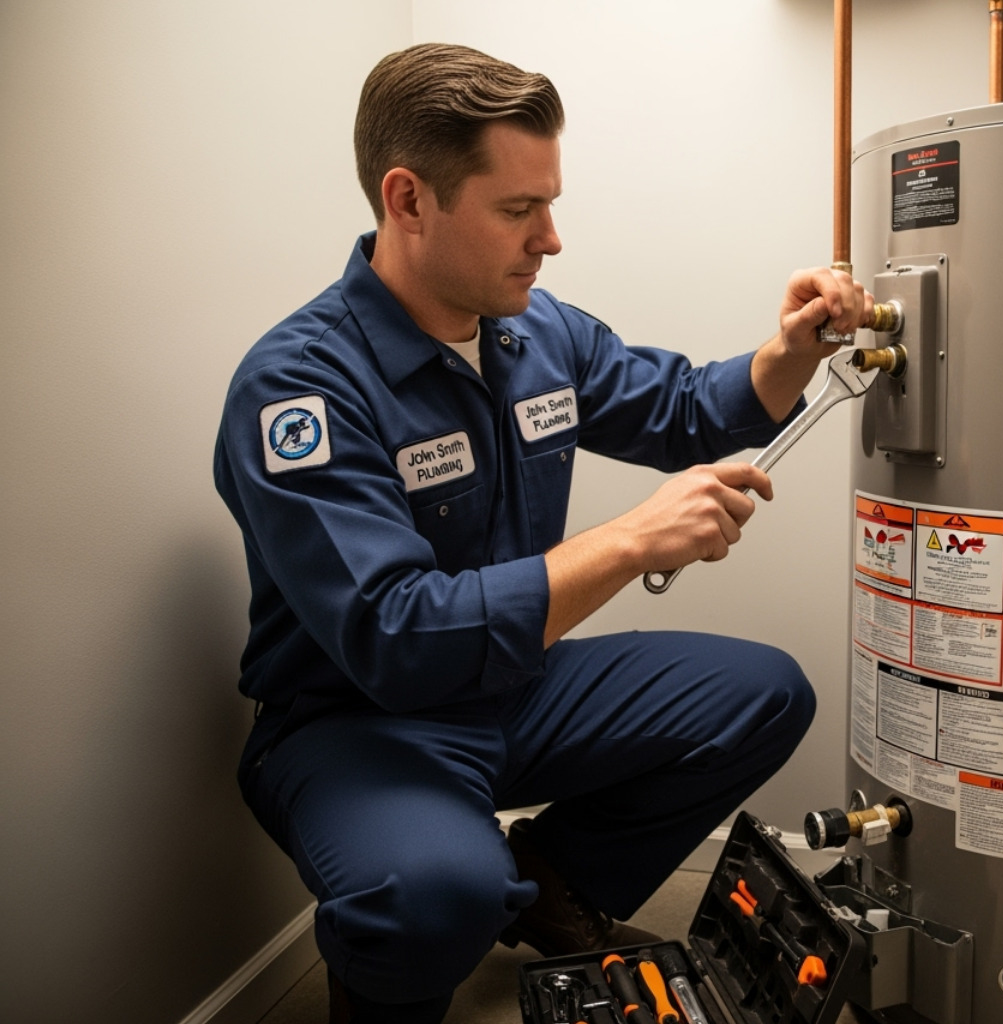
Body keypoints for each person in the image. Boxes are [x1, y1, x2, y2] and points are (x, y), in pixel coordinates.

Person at [212, 41, 870, 1024]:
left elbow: (686, 408)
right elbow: (394, 636)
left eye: (549, 203)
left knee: (764, 693)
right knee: (438, 896)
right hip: (356, 720)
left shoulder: (534, 333)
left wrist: (788, 349)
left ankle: (555, 880)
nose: (551, 238)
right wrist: (630, 541)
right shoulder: (301, 388)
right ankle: (408, 947)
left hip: (514, 684)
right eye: (519, 210)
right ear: (409, 200)